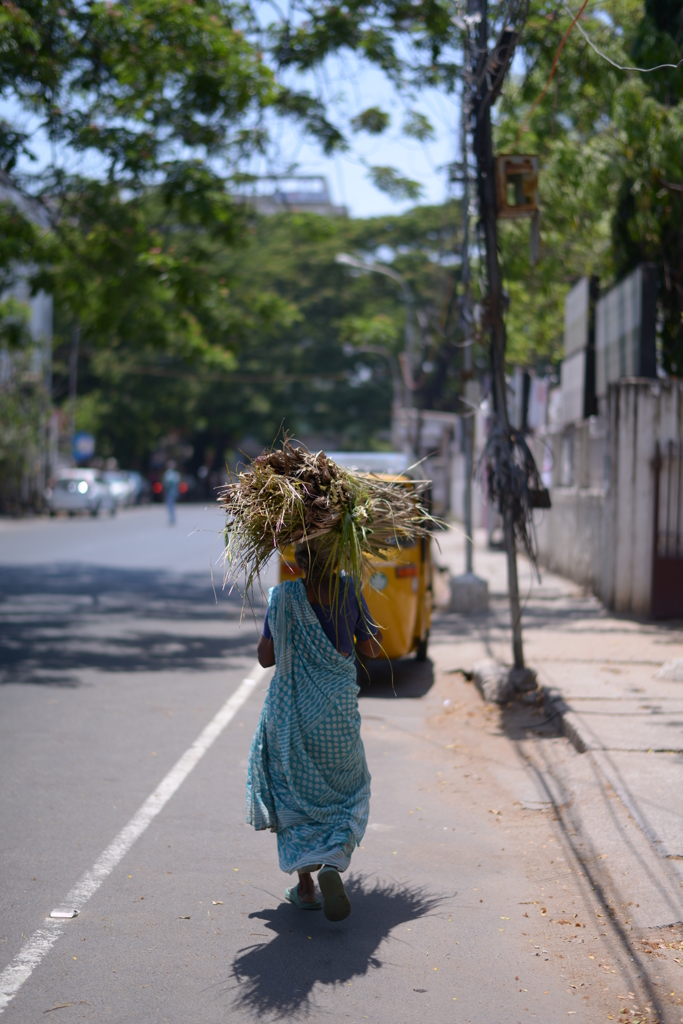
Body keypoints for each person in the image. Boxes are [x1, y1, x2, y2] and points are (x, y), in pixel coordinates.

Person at [247, 540, 383, 922]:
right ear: (338, 557)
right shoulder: (349, 591)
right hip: (335, 716)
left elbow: (265, 657)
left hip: (290, 714)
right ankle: (333, 861)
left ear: (298, 564)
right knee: (345, 792)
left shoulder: (283, 597)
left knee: (291, 792)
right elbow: (371, 649)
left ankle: (306, 887)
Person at [162, 460, 180, 526]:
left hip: (172, 491)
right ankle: (172, 518)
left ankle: (172, 518)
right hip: (169, 491)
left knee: (171, 505)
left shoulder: (172, 474)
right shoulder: (170, 473)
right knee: (170, 505)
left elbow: (167, 483)